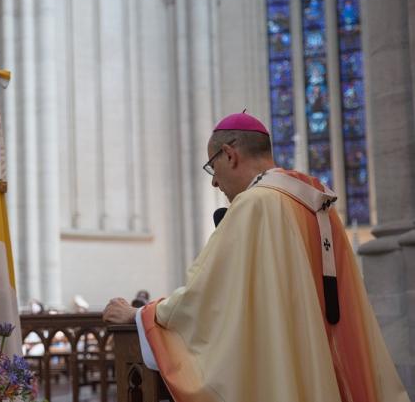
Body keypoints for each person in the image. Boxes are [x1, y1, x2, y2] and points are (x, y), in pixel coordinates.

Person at [103, 112, 409, 402]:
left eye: (212, 166)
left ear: (229, 154)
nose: (214, 181)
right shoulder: (317, 204)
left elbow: (204, 298)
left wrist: (141, 316)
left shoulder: (254, 205)